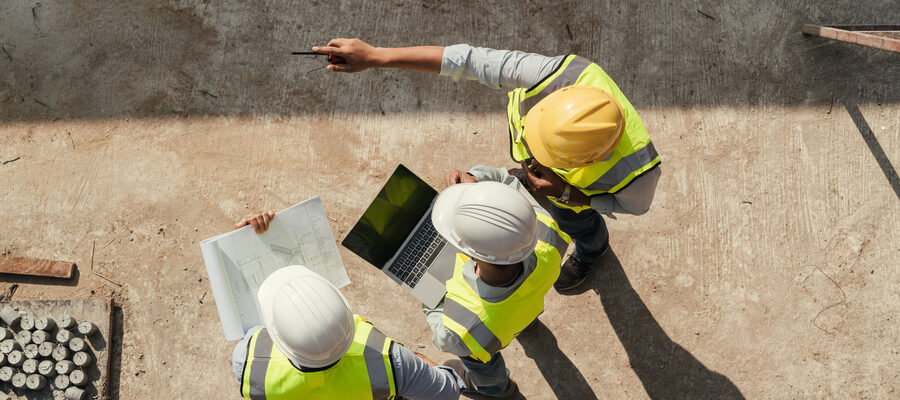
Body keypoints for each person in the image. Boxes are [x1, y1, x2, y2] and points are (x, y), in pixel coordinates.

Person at [312, 39, 661, 291]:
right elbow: (466, 60)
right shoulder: (557, 74)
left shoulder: (638, 175)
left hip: (571, 197)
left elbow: (632, 208)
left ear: (587, 159)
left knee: (579, 225)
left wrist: (571, 195)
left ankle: (592, 249)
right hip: (557, 185)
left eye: (543, 156)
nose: (530, 158)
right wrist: (376, 56)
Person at [231, 214, 465, 400]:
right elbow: (447, 391)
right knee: (454, 366)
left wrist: (248, 242)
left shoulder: (247, 362)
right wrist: (416, 361)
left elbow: (252, 322)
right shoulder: (392, 362)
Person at [422, 168, 571, 398]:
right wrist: (476, 183)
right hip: (522, 308)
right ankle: (526, 325)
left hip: (486, 337)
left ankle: (498, 391)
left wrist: (426, 287)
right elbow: (507, 183)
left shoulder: (461, 330)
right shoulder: (549, 234)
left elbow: (442, 335)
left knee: (482, 365)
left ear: (466, 252)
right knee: (519, 311)